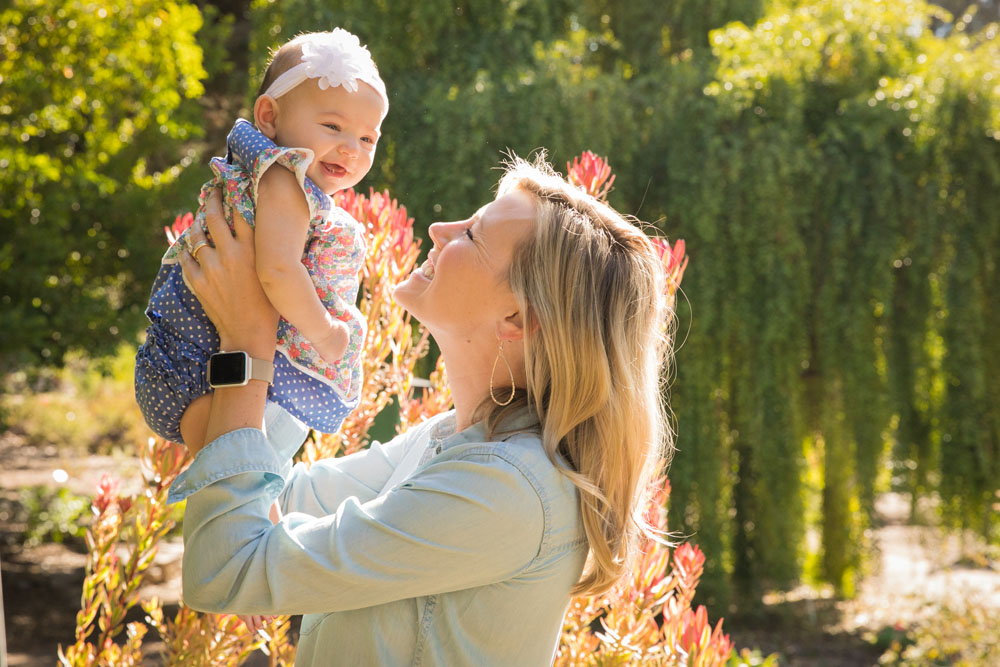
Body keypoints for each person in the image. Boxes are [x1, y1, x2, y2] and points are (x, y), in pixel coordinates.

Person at [168, 153, 674, 665]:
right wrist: (265, 322)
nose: (437, 229)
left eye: (472, 235)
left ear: (516, 316)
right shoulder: (452, 439)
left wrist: (246, 347)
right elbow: (273, 497)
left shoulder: (506, 489)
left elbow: (227, 567)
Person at [135, 29, 388, 451]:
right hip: (201, 358)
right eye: (332, 126)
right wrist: (325, 333)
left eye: (367, 139)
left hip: (189, 358)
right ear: (269, 116)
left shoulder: (262, 173)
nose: (350, 149)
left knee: (237, 474)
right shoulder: (283, 180)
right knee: (239, 470)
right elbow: (276, 270)